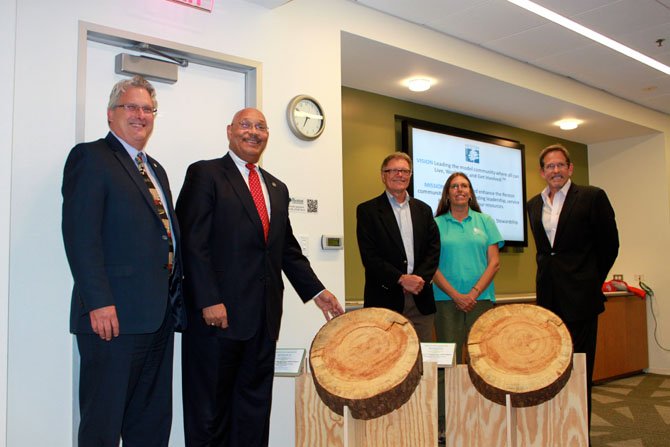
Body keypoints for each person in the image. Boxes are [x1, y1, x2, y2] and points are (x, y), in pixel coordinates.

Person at [176, 107, 343, 447]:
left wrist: (317, 292)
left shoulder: (276, 188)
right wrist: (208, 299)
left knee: (253, 410)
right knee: (210, 412)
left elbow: (286, 251)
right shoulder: (205, 174)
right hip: (216, 319)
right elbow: (192, 243)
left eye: (261, 127)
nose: (253, 132)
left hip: (263, 320)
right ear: (229, 130)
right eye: (246, 125)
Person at [62, 75, 186, 446]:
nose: (141, 115)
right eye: (131, 106)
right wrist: (98, 302)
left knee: (150, 423)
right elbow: (81, 237)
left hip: (158, 318)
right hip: (111, 320)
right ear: (110, 114)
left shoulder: (156, 169)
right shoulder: (91, 157)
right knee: (103, 424)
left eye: (148, 109)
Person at [527, 143, 619, 430]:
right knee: (552, 366)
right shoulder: (533, 204)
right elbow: (546, 253)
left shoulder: (592, 197)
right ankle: (555, 429)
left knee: (579, 368)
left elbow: (610, 245)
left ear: (570, 168)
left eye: (559, 165)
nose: (555, 170)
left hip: (581, 298)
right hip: (549, 299)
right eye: (549, 166)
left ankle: (578, 433)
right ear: (542, 172)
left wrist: (590, 279)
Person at [356, 152, 440, 342]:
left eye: (404, 171)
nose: (399, 175)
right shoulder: (367, 211)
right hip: (385, 298)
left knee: (422, 362)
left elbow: (433, 250)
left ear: (410, 175)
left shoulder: (424, 210)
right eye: (393, 170)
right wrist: (401, 279)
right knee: (385, 360)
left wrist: (418, 280)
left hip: (421, 299)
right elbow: (369, 256)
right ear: (383, 175)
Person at [432, 172, 503, 362]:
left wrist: (473, 294)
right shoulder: (435, 224)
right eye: (454, 186)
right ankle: (447, 394)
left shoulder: (485, 221)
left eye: (464, 186)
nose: (459, 190)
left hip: (481, 300)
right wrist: (456, 296)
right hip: (445, 301)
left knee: (481, 359)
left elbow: (494, 263)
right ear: (447, 194)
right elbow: (431, 267)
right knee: (448, 361)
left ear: (470, 193)